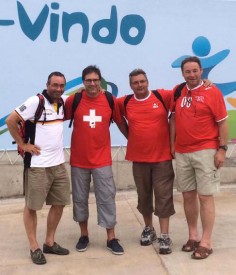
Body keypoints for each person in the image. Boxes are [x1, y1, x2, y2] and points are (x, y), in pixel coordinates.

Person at [6, 72, 70, 265]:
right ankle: (34, 247)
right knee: (32, 206)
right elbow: (11, 120)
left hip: (58, 164)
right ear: (47, 85)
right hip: (37, 166)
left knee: (59, 203)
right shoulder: (36, 101)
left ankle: (49, 242)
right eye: (55, 85)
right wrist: (22, 144)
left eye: (62, 86)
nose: (58, 89)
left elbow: (85, 93)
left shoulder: (63, 101)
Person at [169, 56, 228, 260]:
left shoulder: (213, 92)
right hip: (182, 152)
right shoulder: (178, 91)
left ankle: (206, 242)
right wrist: (172, 146)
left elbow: (222, 123)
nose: (191, 75)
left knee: (205, 196)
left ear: (201, 71)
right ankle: (193, 236)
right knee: (187, 196)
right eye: (188, 71)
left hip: (205, 151)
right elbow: (174, 119)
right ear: (182, 73)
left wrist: (222, 149)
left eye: (195, 71)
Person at [65, 65, 128, 255]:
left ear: (100, 81)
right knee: (79, 199)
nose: (92, 83)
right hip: (79, 160)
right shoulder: (74, 100)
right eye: (88, 80)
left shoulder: (109, 100)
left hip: (102, 160)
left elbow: (120, 122)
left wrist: (132, 141)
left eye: (95, 80)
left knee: (107, 198)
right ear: (83, 82)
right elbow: (55, 117)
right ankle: (84, 235)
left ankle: (111, 237)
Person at [117, 69, 175, 254]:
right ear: (130, 85)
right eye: (135, 82)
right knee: (144, 196)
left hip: (162, 159)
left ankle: (164, 235)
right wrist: (131, 137)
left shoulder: (161, 96)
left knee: (163, 196)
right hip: (139, 159)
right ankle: (149, 229)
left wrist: (205, 81)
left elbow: (185, 89)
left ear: (147, 81)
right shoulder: (124, 102)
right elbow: (117, 119)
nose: (139, 85)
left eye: (142, 81)